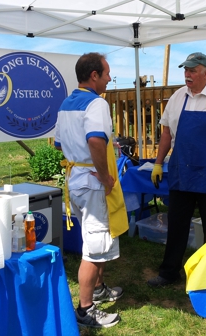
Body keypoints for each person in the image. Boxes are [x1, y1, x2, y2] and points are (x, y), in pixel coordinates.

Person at [147, 52, 206, 287]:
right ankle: (169, 272)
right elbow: (166, 133)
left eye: (193, 70)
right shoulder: (177, 97)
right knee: (177, 225)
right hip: (182, 173)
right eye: (186, 70)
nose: (187, 75)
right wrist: (158, 162)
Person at [54, 52, 128, 328]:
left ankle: (97, 289)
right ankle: (85, 309)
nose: (110, 78)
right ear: (94, 75)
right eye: (107, 73)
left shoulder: (65, 103)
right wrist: (106, 176)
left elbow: (59, 144)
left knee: (92, 237)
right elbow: (96, 141)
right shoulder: (96, 103)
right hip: (92, 180)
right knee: (94, 246)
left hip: (75, 178)